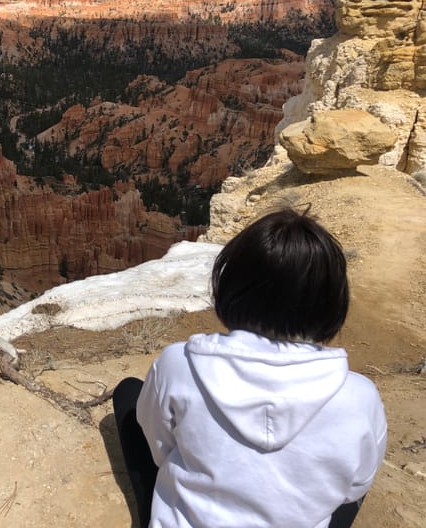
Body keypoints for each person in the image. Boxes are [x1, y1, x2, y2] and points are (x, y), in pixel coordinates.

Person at [113, 208, 387, 528]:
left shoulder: (178, 365)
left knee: (129, 393)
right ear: (332, 304)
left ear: (230, 289)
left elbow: (159, 451)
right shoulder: (359, 397)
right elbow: (355, 487)